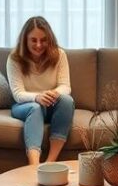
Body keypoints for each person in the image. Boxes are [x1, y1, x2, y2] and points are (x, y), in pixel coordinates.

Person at [6, 16, 74, 165]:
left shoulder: (60, 55)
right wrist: (37, 97)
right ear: (25, 40)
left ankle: (49, 163)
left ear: (49, 39)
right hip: (25, 106)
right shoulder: (14, 58)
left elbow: (65, 86)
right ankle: (34, 167)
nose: (38, 45)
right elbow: (18, 94)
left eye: (43, 40)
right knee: (35, 108)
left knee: (67, 101)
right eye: (33, 40)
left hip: (51, 103)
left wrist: (53, 94)